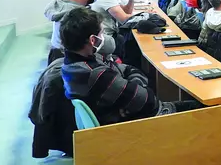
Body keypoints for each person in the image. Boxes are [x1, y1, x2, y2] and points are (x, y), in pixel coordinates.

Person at [60, 7, 197, 125]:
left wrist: (133, 87)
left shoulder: (75, 63)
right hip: (133, 125)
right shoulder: (97, 74)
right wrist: (136, 88)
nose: (104, 36)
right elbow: (148, 100)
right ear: (93, 40)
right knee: (201, 107)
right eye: (101, 33)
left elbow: (127, 69)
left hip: (124, 116)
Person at [44, 0, 115, 64]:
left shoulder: (62, 4)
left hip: (58, 57)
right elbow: (109, 45)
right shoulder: (78, 16)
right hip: (75, 62)